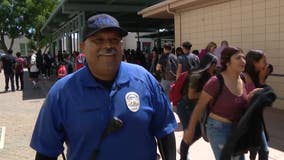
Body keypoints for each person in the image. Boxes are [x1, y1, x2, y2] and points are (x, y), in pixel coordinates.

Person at [30, 13, 177, 160]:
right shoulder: (62, 92)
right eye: (98, 40)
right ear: (83, 47)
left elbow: (165, 132)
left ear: (121, 45)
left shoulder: (144, 80)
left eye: (114, 40)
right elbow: (45, 151)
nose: (108, 45)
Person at [183, 47, 261, 160]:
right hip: (218, 129)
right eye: (238, 58)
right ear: (227, 62)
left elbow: (239, 102)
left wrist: (253, 95)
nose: (243, 61)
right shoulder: (215, 81)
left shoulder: (243, 79)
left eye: (244, 58)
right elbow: (199, 107)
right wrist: (190, 129)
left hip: (237, 128)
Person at [177, 54, 217, 160]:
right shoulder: (196, 75)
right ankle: (183, 155)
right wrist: (208, 93)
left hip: (193, 107)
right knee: (190, 133)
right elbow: (191, 95)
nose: (215, 68)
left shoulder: (209, 75)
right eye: (214, 65)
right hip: (185, 107)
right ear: (210, 65)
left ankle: (183, 148)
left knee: (197, 132)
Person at [244, 50, 271, 160]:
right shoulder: (244, 77)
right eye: (263, 61)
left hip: (257, 119)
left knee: (258, 149)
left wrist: (262, 78)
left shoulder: (258, 75)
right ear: (255, 63)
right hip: (247, 119)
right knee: (262, 150)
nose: (266, 63)